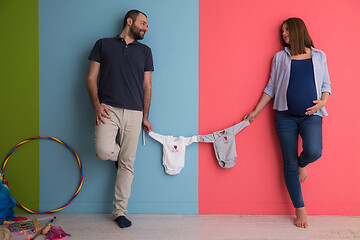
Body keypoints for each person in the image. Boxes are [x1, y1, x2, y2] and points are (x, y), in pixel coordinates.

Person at [244, 17, 331, 228]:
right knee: (288, 164)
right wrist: (256, 111)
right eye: (282, 32)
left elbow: (326, 83)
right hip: (285, 116)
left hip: (312, 115)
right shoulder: (279, 57)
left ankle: (302, 164)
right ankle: (300, 209)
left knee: (314, 151)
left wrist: (323, 102)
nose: (284, 35)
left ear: (298, 31)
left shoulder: (319, 55)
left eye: (287, 31)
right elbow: (271, 87)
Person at [86, 9, 154, 228]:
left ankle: (120, 212)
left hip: (134, 113)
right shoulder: (103, 45)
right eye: (143, 23)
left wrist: (146, 116)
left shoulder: (145, 51)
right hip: (108, 109)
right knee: (104, 151)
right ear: (129, 21)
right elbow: (91, 78)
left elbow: (147, 86)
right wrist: (97, 106)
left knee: (128, 164)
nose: (145, 28)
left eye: (146, 25)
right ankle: (118, 157)